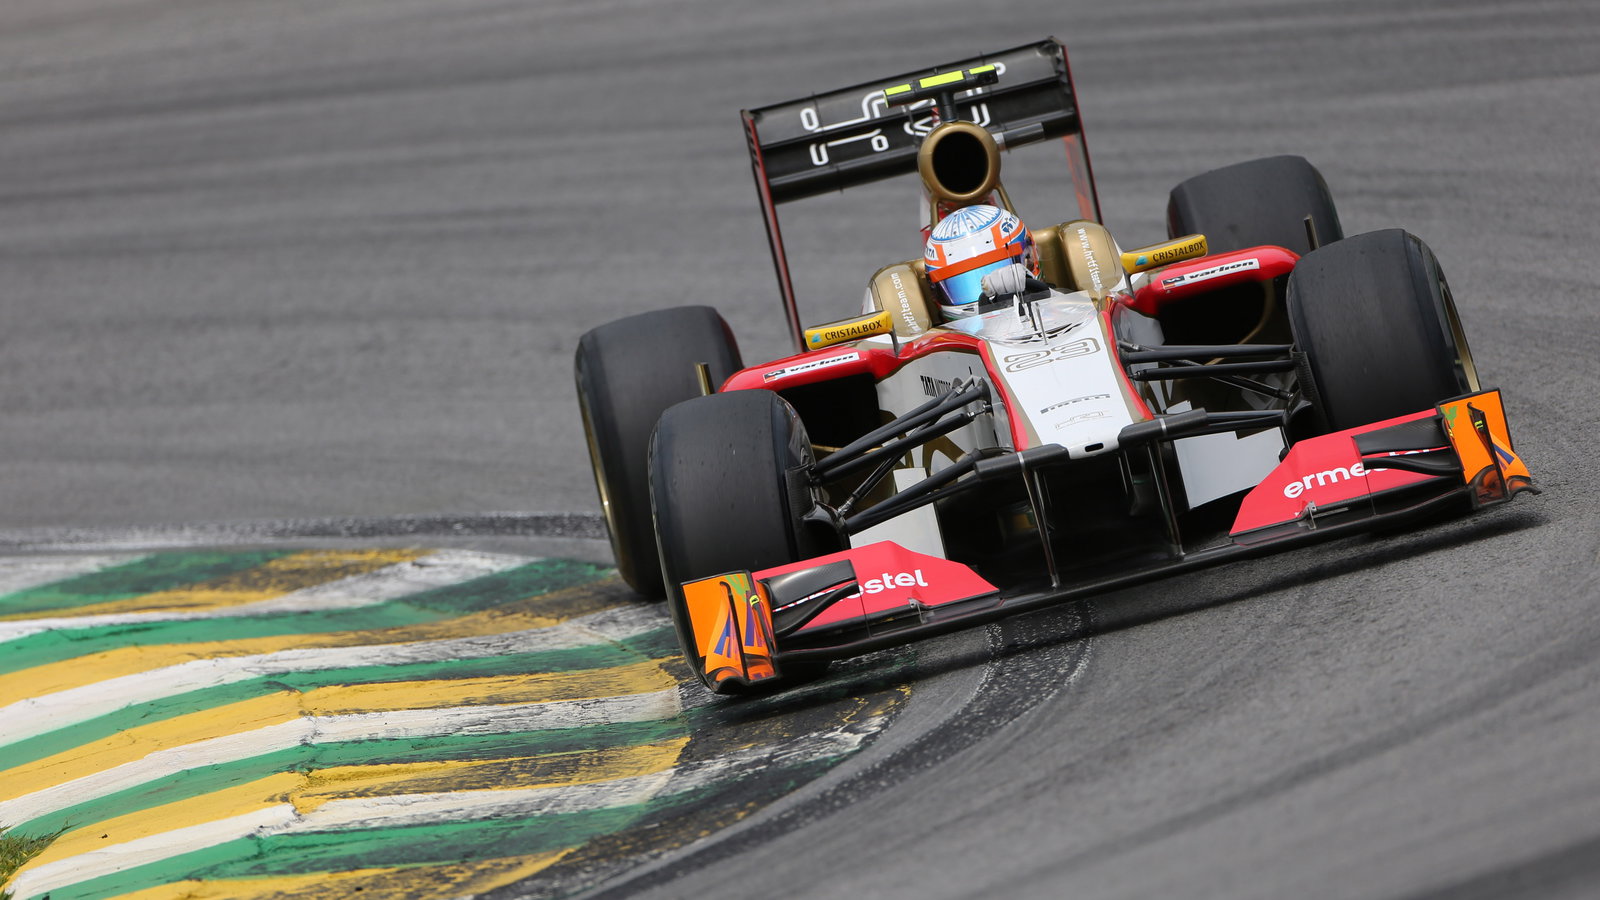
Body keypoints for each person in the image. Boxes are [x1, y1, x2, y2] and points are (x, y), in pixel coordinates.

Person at [922, 204, 1043, 320]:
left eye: (1000, 269)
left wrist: (1045, 294)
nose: (984, 298)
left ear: (1030, 258)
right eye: (964, 285)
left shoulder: (1056, 301)